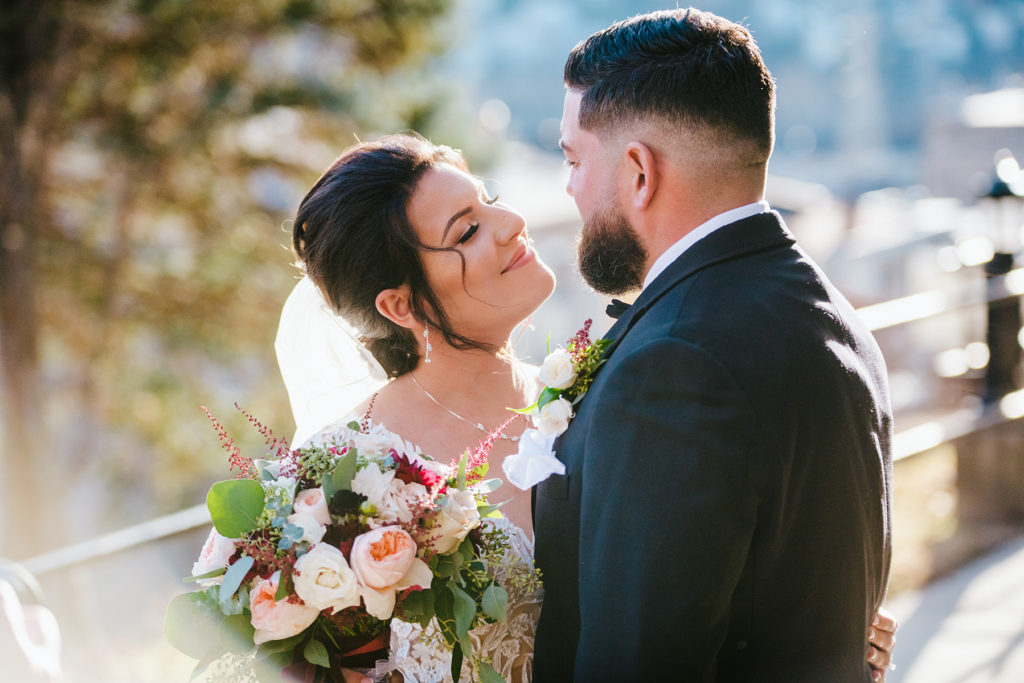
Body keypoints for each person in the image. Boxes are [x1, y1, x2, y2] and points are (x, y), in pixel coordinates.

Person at [281, 130, 896, 681]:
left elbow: (700, 581)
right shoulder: (341, 472)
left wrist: (825, 635)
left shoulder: (603, 397)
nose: (512, 221)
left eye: (489, 198)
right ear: (401, 306)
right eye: (466, 230)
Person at [531, 8, 894, 682]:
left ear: (639, 172)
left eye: (574, 158)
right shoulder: (832, 316)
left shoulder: (673, 367)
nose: (569, 187)